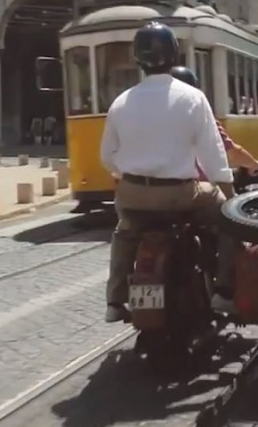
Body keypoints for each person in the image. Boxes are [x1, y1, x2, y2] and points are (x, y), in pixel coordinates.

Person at [100, 22, 238, 322]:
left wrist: (128, 173)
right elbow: (212, 155)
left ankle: (114, 301)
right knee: (229, 221)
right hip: (180, 195)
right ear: (175, 55)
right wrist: (227, 191)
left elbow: (107, 157)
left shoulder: (120, 102)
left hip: (132, 194)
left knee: (125, 233)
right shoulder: (192, 97)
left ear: (137, 58)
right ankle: (223, 291)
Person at [169, 66, 258, 174]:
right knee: (224, 190)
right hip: (192, 184)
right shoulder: (201, 116)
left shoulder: (152, 115)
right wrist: (255, 164)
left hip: (151, 186)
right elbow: (233, 153)